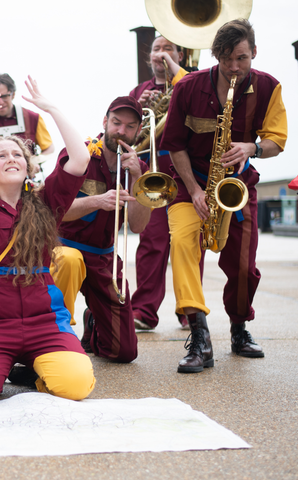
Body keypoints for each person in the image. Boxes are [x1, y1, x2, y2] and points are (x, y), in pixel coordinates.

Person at [0, 77, 95, 404]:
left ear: (27, 166)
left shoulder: (46, 201)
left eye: (17, 155)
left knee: (77, 386)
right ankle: (8, 362)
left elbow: (80, 159)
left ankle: (37, 369)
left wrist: (50, 108)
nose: (11, 158)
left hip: (45, 320)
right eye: (1, 156)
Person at [160, 19, 287, 373]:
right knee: (183, 245)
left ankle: (239, 328)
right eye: (227, 59)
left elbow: (277, 140)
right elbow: (174, 145)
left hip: (237, 185)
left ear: (254, 53)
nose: (234, 68)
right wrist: (196, 189)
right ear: (216, 56)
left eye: (242, 59)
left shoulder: (268, 87)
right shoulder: (187, 87)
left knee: (244, 267)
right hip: (192, 185)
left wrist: (252, 147)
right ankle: (199, 336)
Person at [51, 97, 151, 362]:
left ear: (138, 131)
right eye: (116, 123)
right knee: (69, 262)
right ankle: (53, 340)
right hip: (62, 249)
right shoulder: (79, 154)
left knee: (124, 352)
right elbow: (53, 210)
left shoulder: (138, 168)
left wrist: (138, 178)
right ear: (105, 122)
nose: (121, 131)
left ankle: (93, 320)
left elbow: (138, 226)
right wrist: (97, 201)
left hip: (104, 257)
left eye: (129, 127)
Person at [128, 36, 197, 331]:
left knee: (189, 242)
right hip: (153, 171)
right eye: (156, 49)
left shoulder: (191, 82)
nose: (161, 54)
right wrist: (137, 109)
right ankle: (143, 310)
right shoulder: (139, 91)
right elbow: (127, 134)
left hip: (186, 172)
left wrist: (175, 70)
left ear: (180, 55)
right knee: (151, 243)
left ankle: (189, 310)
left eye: (168, 49)